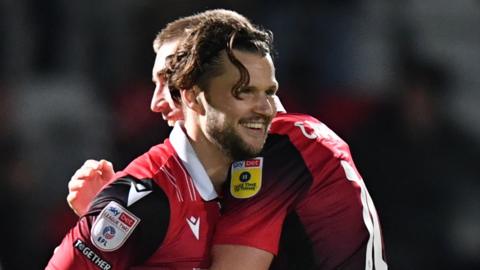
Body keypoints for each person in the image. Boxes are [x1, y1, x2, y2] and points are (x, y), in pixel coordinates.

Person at [63, 10, 388, 270]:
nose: (157, 102)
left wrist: (129, 235)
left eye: (171, 81)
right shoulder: (286, 142)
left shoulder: (276, 151)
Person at [47, 9, 278, 269]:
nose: (157, 102)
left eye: (267, 91)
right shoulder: (144, 200)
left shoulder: (279, 169)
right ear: (193, 93)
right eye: (243, 91)